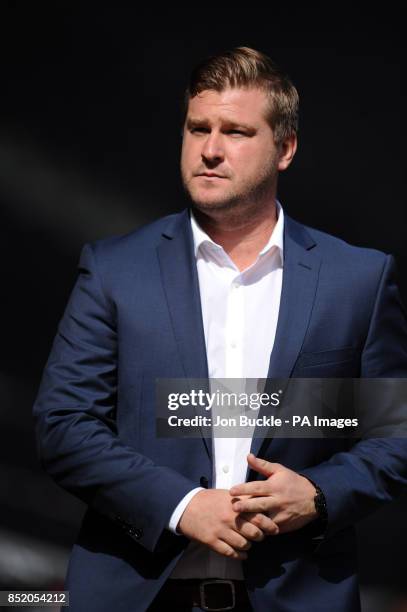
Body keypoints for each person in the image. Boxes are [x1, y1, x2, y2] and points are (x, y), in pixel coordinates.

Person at [33, 47, 407, 612]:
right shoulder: (115, 270)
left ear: (285, 149)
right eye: (197, 127)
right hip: (141, 598)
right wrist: (181, 505)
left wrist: (320, 494)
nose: (209, 149)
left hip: (296, 597)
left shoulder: (358, 278)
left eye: (235, 131)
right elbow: (62, 423)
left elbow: (395, 434)